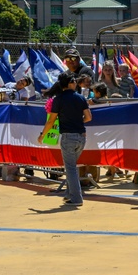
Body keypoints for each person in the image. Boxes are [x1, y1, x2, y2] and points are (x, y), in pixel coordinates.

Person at [38, 72, 92, 207]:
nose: (75, 83)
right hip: (82, 137)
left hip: (68, 137)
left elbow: (51, 121)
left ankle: (76, 198)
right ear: (69, 83)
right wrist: (78, 122)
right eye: (74, 81)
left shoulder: (58, 99)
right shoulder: (80, 98)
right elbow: (89, 117)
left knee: (70, 168)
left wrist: (42, 135)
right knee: (72, 166)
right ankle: (69, 194)